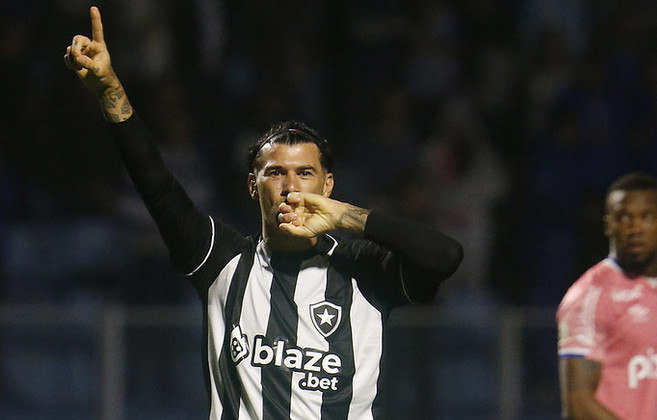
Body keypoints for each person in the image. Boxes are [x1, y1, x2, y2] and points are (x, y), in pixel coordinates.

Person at [64, 7, 463, 419]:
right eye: (276, 173)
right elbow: (156, 185)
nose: (291, 187)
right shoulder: (221, 261)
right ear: (254, 187)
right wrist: (109, 88)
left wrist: (347, 217)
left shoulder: (363, 269)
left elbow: (445, 256)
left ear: (328, 186)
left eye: (305, 173)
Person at [556, 172, 657, 419]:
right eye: (623, 217)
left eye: (646, 216)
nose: (634, 228)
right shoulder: (590, 295)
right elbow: (578, 404)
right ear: (608, 225)